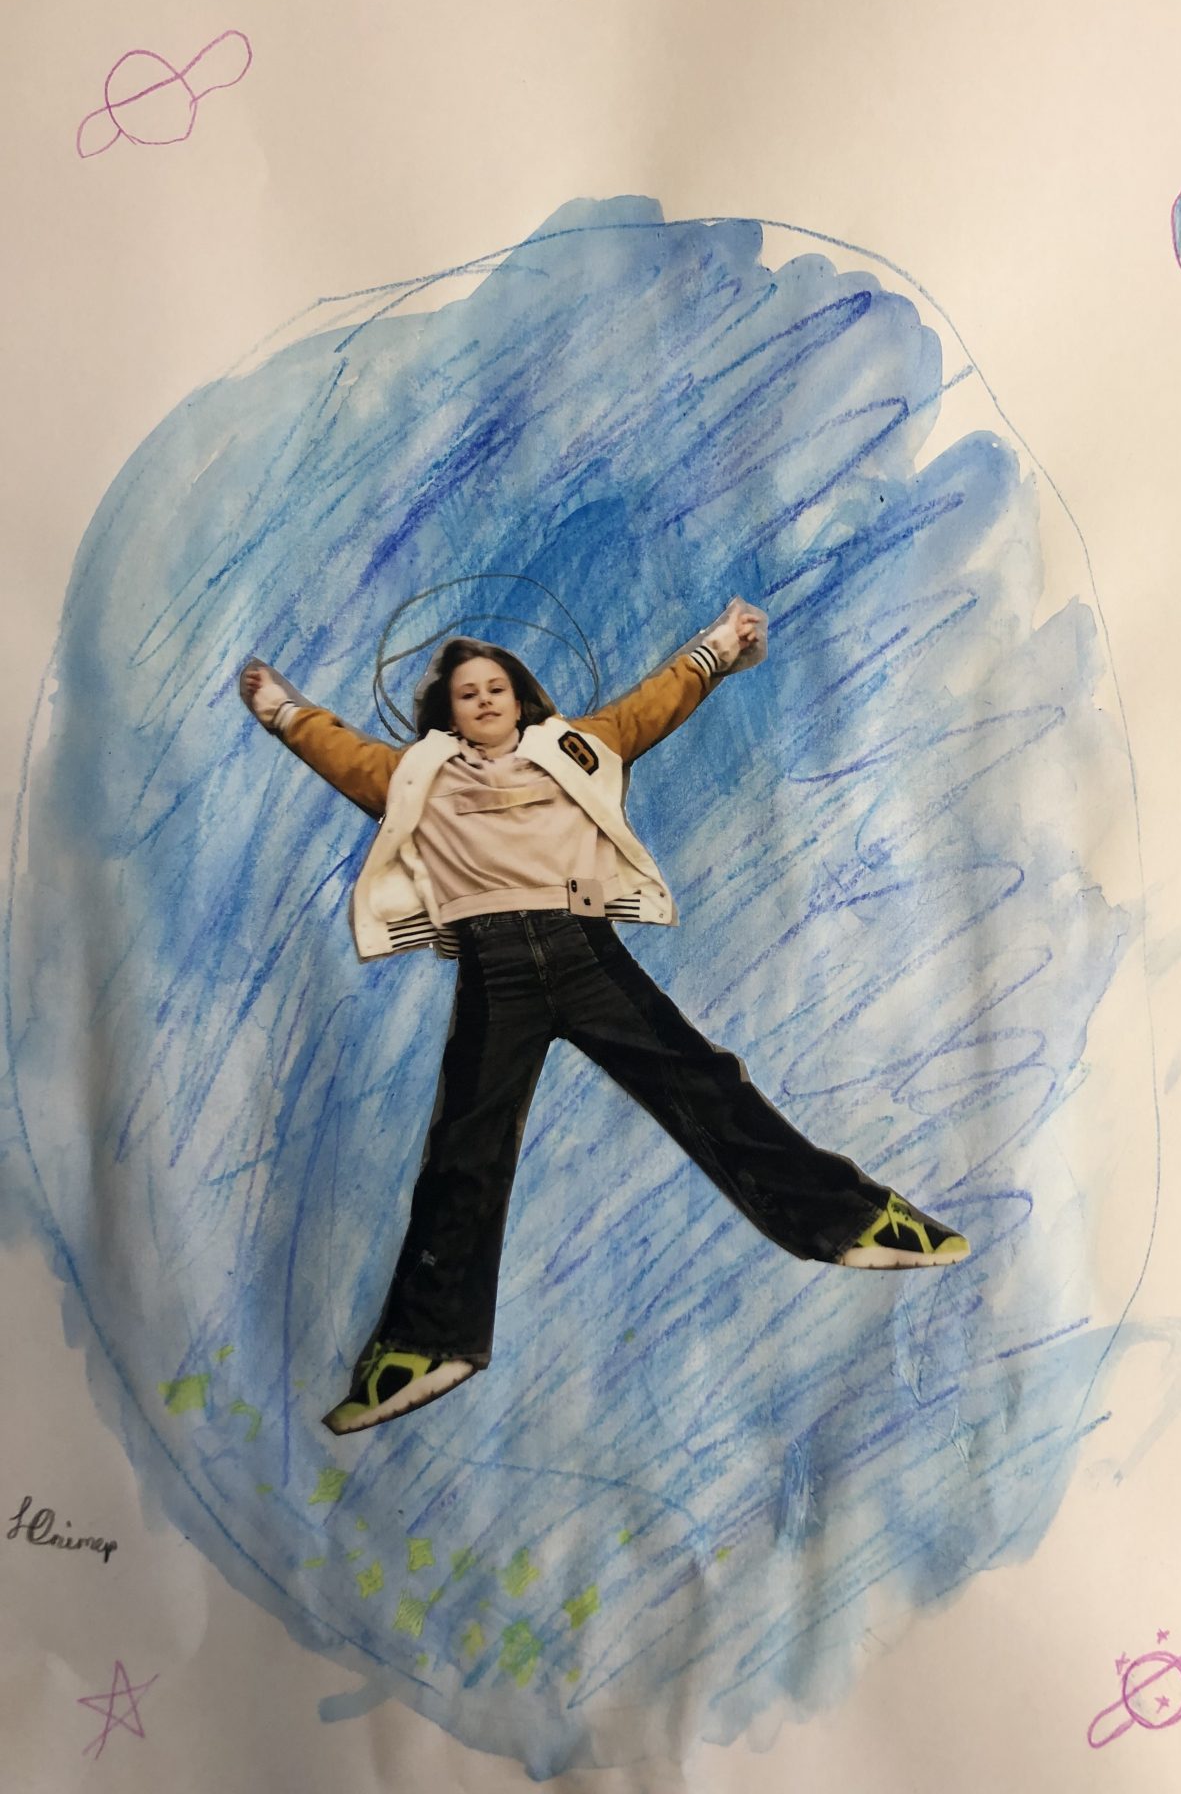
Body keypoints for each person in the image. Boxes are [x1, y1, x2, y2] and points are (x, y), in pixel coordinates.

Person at [239, 597, 968, 1435]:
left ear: (521, 698)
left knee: (705, 1085)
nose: (484, 699)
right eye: (467, 693)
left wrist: (721, 644)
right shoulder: (414, 776)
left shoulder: (575, 747)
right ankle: (429, 1342)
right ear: (447, 713)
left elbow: (653, 703)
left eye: (497, 687)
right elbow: (335, 749)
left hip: (582, 950)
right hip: (493, 972)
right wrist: (278, 705)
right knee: (464, 1147)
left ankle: (853, 1220)